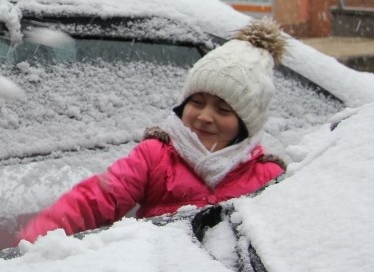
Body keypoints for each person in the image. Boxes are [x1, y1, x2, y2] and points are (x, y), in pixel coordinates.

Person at [20, 18, 288, 243]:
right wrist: (38, 240)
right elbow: (97, 198)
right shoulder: (156, 156)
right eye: (196, 102)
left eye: (223, 110)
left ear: (246, 124)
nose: (205, 116)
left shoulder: (266, 176)